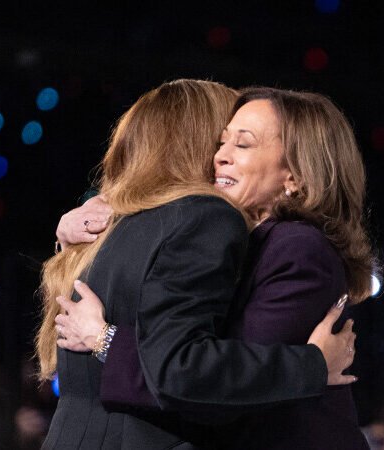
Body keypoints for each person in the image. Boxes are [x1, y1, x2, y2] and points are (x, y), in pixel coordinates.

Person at [37, 80, 358, 449]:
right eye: (220, 141)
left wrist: (103, 338)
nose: (220, 155)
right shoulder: (201, 227)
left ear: (296, 176)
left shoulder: (296, 248)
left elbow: (210, 387)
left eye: (243, 143)